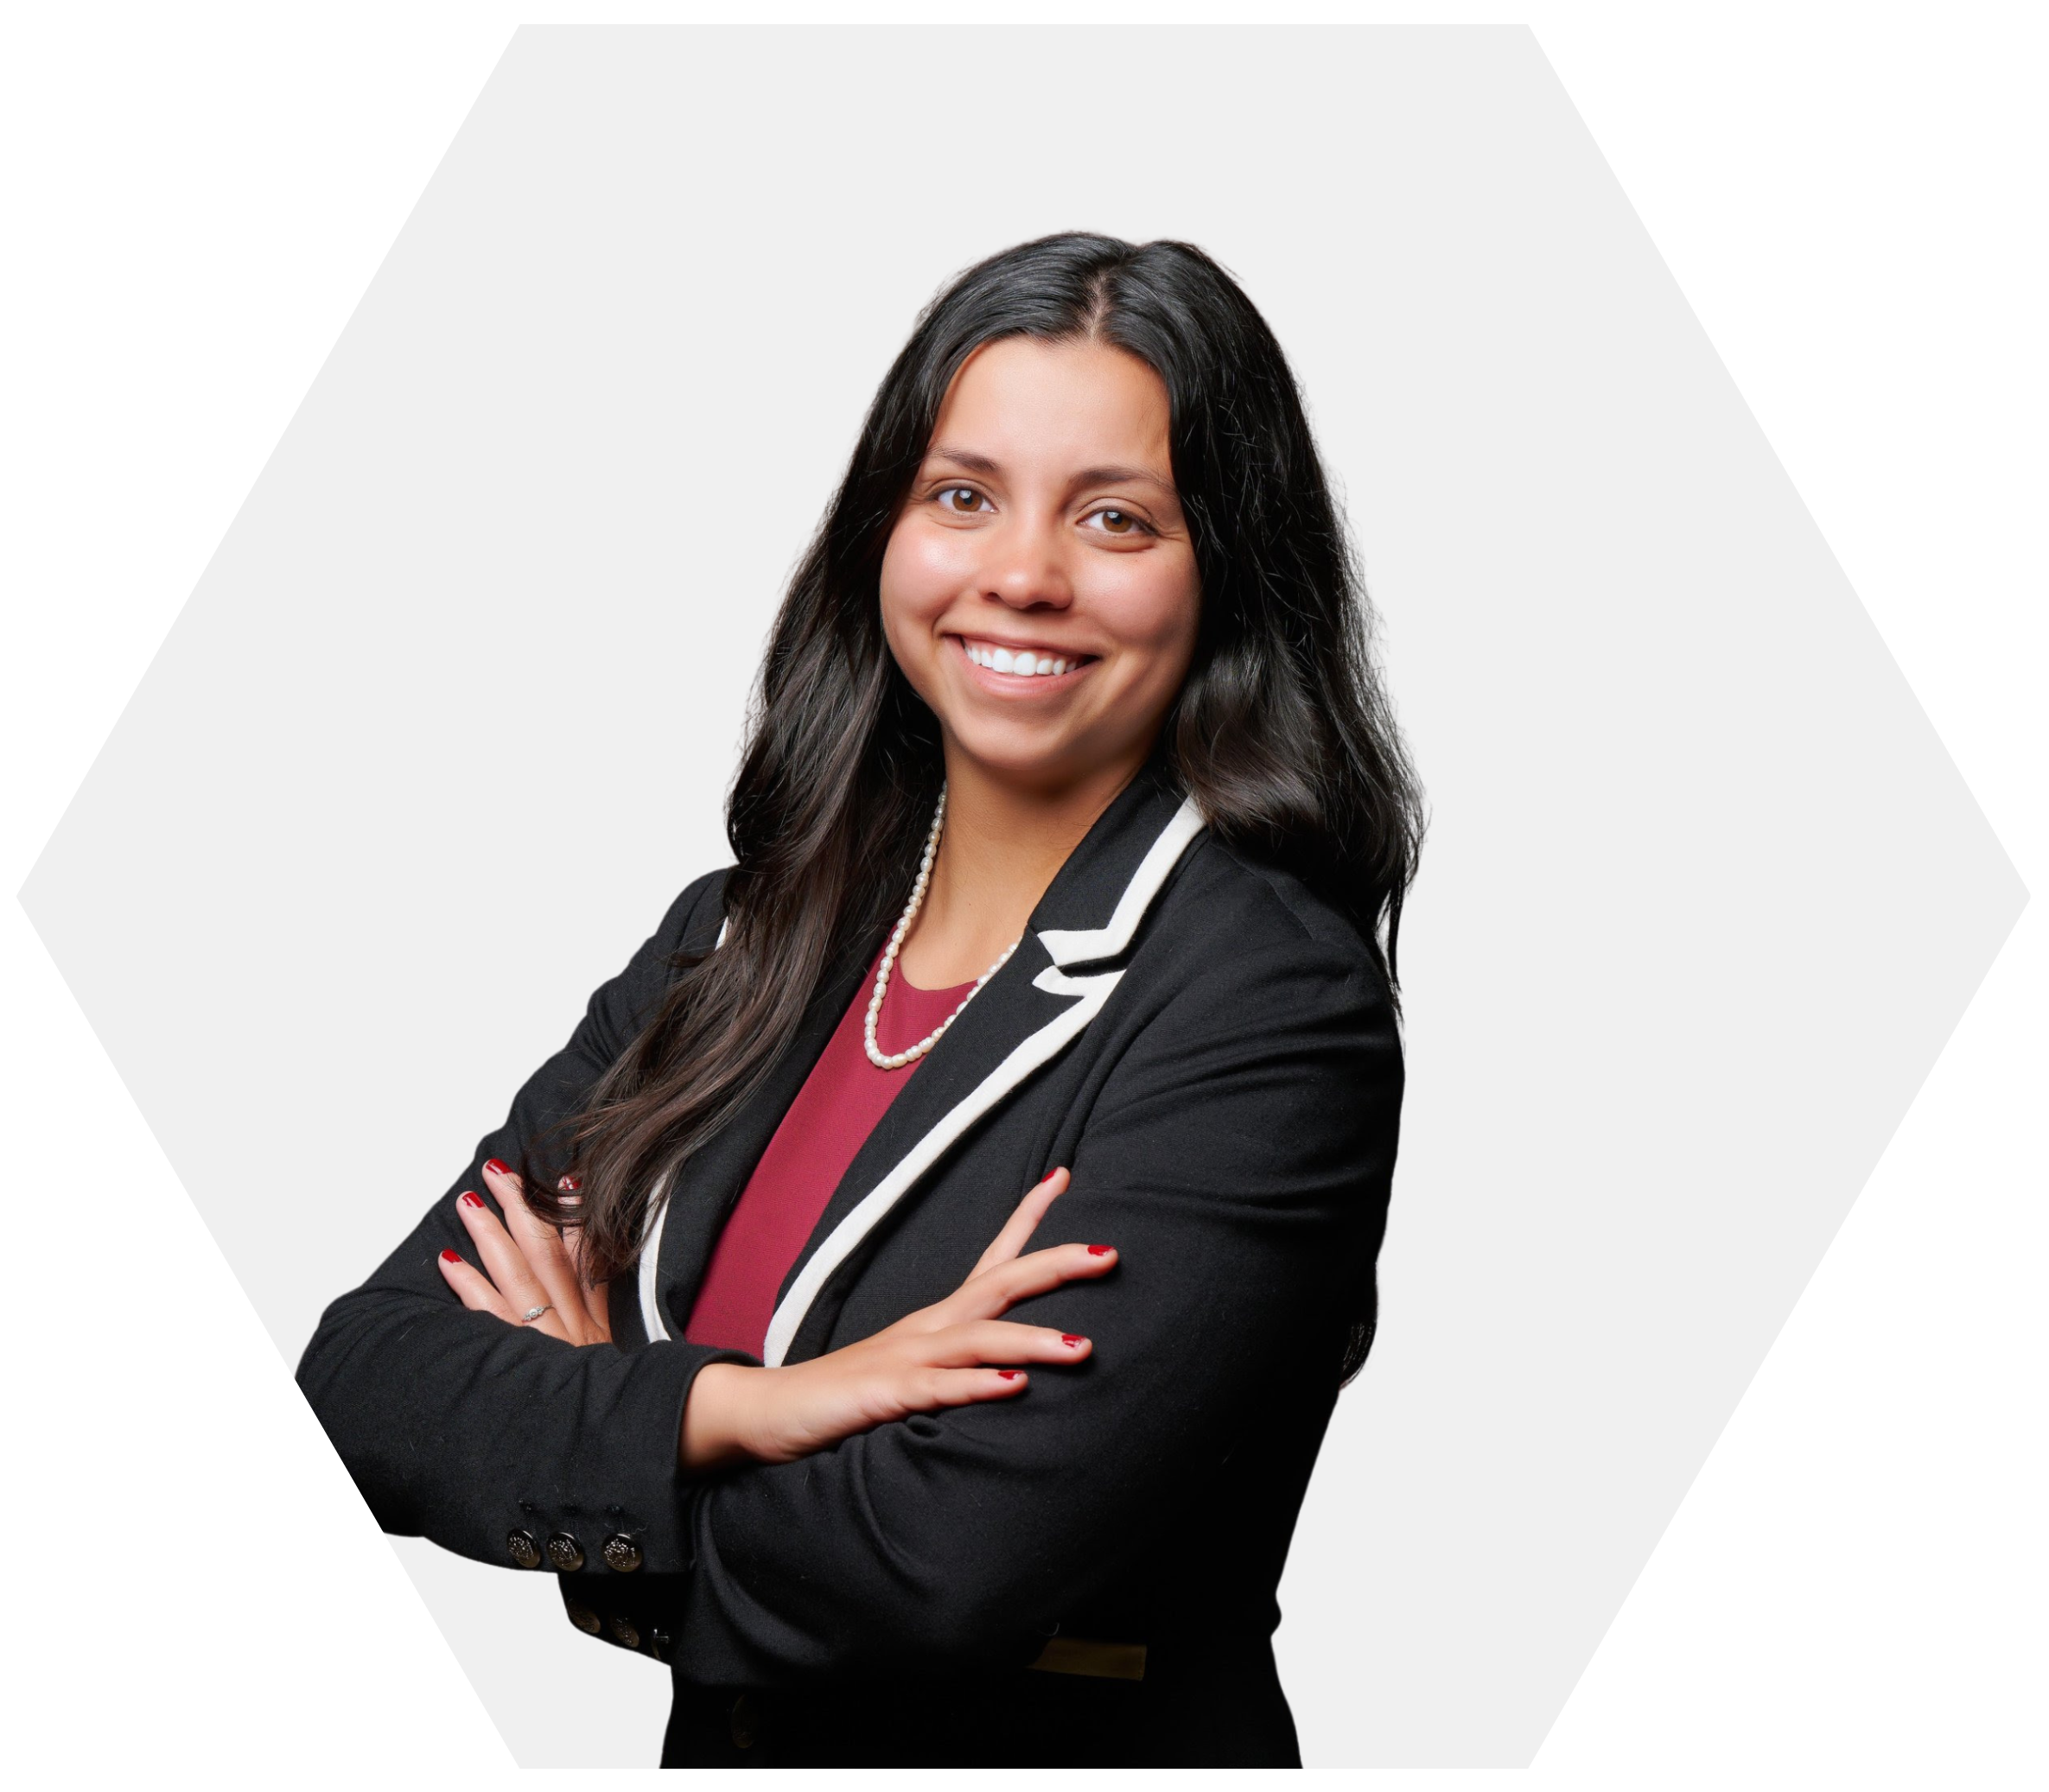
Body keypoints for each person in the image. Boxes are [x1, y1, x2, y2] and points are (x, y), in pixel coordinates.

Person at [298, 232, 1422, 1770]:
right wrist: (746, 1407)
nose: (1019, 571)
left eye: (1114, 517)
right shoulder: (742, 939)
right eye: (962, 496)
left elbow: (939, 1563)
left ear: (1223, 570)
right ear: (881, 535)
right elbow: (364, 1380)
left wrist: (592, 1441)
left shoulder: (1263, 1003)